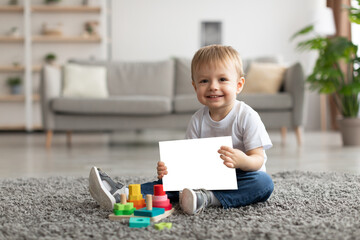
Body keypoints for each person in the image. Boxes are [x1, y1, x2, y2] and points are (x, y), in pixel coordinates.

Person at [89, 45, 274, 215]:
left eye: (223, 79)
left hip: (241, 177)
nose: (213, 86)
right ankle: (122, 194)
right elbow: (190, 162)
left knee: (263, 183)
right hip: (204, 177)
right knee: (166, 185)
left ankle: (207, 198)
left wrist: (242, 160)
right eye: (204, 81)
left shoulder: (246, 116)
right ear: (195, 86)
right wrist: (169, 170)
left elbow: (258, 160)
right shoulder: (197, 120)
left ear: (239, 85)